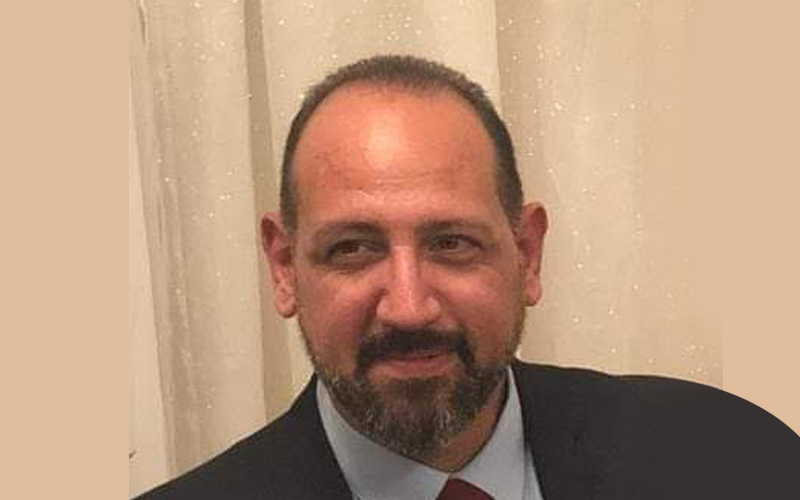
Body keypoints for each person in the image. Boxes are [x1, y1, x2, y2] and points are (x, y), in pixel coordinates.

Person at [136, 55, 799, 500]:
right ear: (284, 268)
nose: (409, 307)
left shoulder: (727, 455)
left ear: (527, 254)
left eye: (452, 244)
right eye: (353, 249)